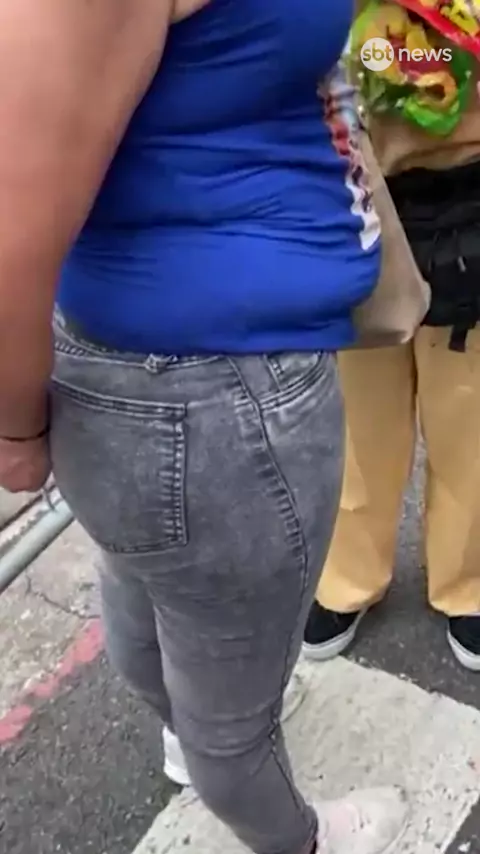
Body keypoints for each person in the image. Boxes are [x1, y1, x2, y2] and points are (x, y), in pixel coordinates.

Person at [0, 2, 408, 853]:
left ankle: (196, 737)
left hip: (178, 381)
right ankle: (301, 839)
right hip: (210, 393)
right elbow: (11, 233)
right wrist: (17, 432)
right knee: (231, 717)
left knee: (154, 603)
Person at [303, 28, 480, 673]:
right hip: (354, 185)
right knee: (359, 414)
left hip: (467, 189)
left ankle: (468, 582)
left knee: (468, 414)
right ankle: (347, 576)